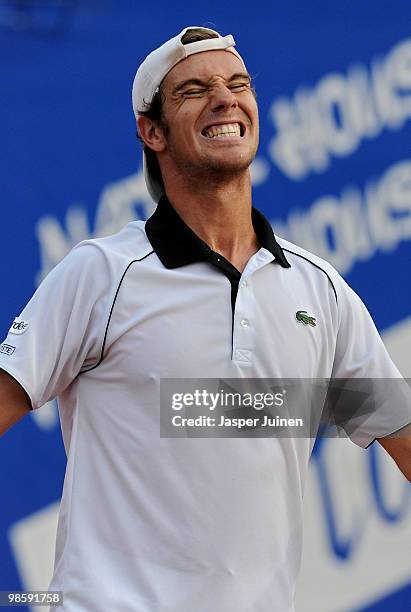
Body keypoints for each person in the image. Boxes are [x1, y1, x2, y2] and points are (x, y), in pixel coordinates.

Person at [0, 26, 410, 612]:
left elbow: (403, 436)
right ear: (152, 132)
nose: (225, 98)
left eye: (238, 84)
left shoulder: (319, 290)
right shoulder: (100, 274)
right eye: (194, 90)